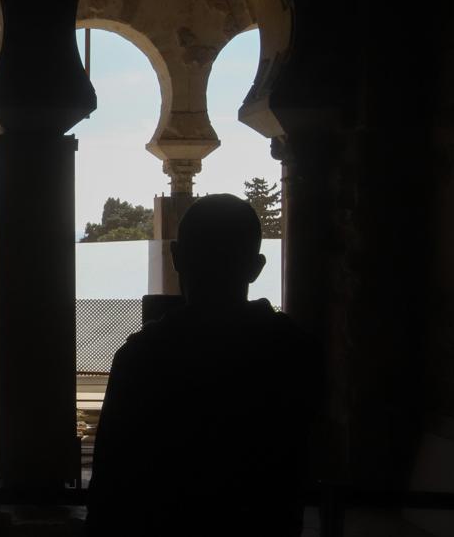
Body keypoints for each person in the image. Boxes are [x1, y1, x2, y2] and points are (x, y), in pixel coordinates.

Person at [87, 194, 322, 537]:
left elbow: (111, 481)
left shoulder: (143, 357)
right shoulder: (296, 351)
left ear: (177, 258)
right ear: (256, 267)